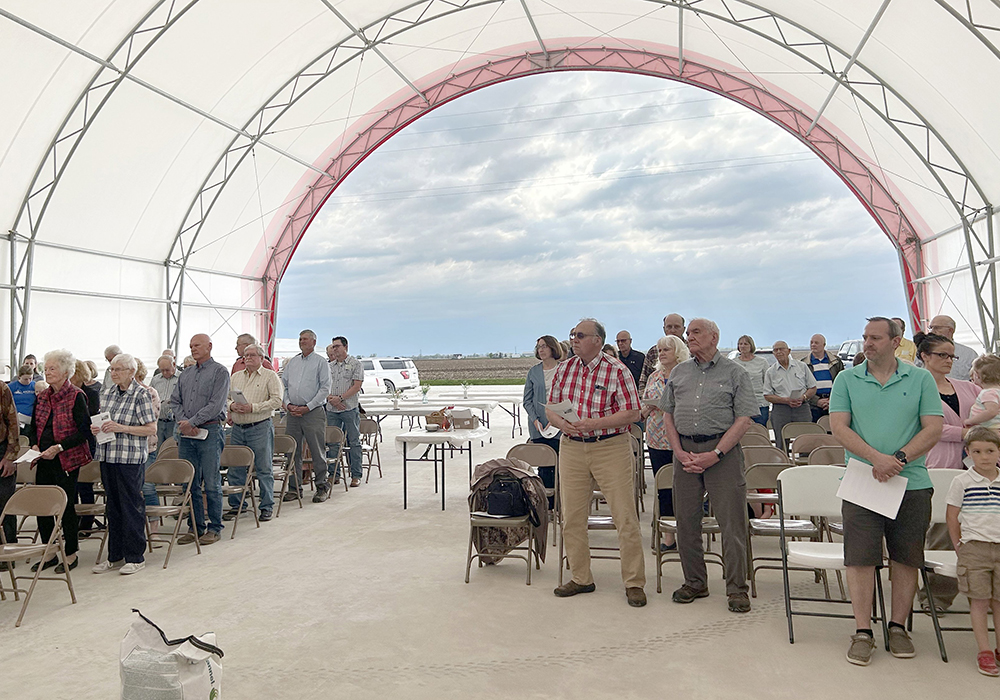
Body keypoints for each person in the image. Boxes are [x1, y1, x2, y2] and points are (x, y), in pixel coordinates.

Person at [829, 317, 943, 665]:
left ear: (896, 342)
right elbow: (839, 427)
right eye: (865, 337)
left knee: (906, 558)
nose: (867, 343)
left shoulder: (920, 378)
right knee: (860, 558)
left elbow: (934, 427)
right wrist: (877, 459)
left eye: (875, 338)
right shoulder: (847, 379)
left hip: (912, 483)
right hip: (863, 481)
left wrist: (899, 458)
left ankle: (897, 627)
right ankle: (863, 631)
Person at [545, 318, 646, 607]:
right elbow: (551, 408)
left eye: (580, 335)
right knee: (572, 517)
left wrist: (594, 424)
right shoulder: (564, 369)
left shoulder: (617, 370)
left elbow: (632, 413)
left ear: (597, 341)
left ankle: (634, 581)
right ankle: (581, 577)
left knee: (624, 516)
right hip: (572, 447)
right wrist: (563, 424)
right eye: (572, 335)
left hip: (610, 447)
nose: (574, 340)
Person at [659, 318, 756, 613]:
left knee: (732, 524)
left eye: (695, 332)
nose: (689, 337)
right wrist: (678, 450)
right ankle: (695, 582)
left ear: (714, 337)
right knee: (686, 522)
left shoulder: (735, 372)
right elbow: (667, 415)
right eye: (688, 333)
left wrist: (716, 453)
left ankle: (737, 588)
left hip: (722, 455)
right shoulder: (679, 373)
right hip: (685, 454)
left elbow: (744, 419)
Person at [918, 333, 979, 611]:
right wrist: (968, 434)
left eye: (951, 356)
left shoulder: (967, 387)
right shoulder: (916, 388)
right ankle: (937, 596)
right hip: (938, 464)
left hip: (974, 467)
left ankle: (980, 590)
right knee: (943, 530)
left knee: (978, 529)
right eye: (942, 355)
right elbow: (930, 428)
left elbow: (987, 413)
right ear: (925, 357)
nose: (948, 360)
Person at [91, 354, 156, 575]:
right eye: (111, 369)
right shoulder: (107, 393)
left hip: (129, 457)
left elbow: (150, 429)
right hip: (108, 455)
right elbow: (104, 420)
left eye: (118, 369)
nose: (114, 373)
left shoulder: (141, 394)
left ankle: (135, 556)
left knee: (131, 506)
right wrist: (97, 428)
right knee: (113, 507)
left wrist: (122, 428)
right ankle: (115, 555)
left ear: (131, 371)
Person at [28, 349, 93, 573]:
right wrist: (35, 445)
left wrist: (59, 447)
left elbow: (84, 431)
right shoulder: (42, 397)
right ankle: (49, 553)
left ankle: (72, 552)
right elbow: (33, 427)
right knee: (43, 506)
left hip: (66, 459)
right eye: (45, 369)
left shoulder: (76, 396)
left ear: (66, 371)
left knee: (65, 507)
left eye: (52, 368)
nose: (47, 372)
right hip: (43, 457)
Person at [945, 426, 1000, 677]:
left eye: (990, 451)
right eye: (977, 451)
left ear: (998, 452)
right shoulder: (962, 481)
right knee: (979, 601)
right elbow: (952, 516)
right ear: (968, 452)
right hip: (974, 548)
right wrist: (959, 546)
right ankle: (984, 650)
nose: (984, 456)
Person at [168, 334, 230, 545]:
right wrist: (185, 421)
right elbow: (174, 401)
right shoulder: (186, 374)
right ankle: (195, 526)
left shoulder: (220, 372)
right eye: (191, 346)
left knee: (211, 482)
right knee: (190, 483)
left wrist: (193, 421)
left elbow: (216, 404)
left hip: (210, 431)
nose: (193, 349)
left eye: (197, 345)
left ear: (209, 347)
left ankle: (214, 527)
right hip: (187, 434)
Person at [641, 335, 690, 551]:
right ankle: (669, 538)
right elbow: (644, 404)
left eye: (666, 350)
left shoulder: (688, 373)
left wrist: (666, 405)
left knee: (685, 488)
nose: (661, 353)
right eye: (660, 350)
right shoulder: (654, 376)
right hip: (656, 438)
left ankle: (689, 534)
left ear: (677, 351)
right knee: (664, 487)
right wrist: (647, 409)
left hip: (682, 437)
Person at [227, 343, 282, 522]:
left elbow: (277, 401)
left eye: (251, 355)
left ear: (261, 358)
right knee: (235, 468)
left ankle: (266, 506)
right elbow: (226, 399)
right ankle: (238, 505)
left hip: (259, 426)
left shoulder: (270, 376)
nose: (247, 358)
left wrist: (253, 407)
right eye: (245, 355)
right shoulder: (235, 377)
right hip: (237, 428)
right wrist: (231, 406)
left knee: (263, 468)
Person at [282, 330, 332, 503]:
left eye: (305, 339)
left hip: (313, 412)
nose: (302, 341)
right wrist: (288, 404)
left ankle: (321, 486)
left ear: (313, 341)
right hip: (293, 413)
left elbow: (325, 388)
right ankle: (294, 488)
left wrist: (307, 407)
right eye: (300, 339)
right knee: (292, 451)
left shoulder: (320, 363)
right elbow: (285, 386)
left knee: (317, 450)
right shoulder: (293, 362)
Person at [524, 335, 564, 494]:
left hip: (560, 425)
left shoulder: (564, 369)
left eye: (544, 346)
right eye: (538, 346)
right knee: (544, 466)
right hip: (539, 426)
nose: (541, 349)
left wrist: (556, 419)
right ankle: (547, 506)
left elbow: (569, 398)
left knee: (561, 464)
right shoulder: (533, 372)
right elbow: (527, 400)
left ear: (553, 348)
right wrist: (535, 420)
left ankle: (561, 504)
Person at [325, 337, 364, 488]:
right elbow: (323, 385)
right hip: (332, 409)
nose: (334, 349)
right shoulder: (329, 366)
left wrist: (340, 398)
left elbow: (356, 386)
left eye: (337, 346)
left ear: (346, 347)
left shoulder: (355, 364)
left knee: (353, 442)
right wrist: (331, 399)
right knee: (332, 442)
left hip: (349, 408)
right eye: (333, 347)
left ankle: (355, 475)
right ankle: (333, 474)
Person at [763, 340, 816, 451]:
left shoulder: (802, 366)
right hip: (781, 410)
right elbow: (767, 395)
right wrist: (785, 400)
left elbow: (812, 387)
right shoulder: (770, 372)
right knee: (781, 443)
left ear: (789, 351)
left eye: (781, 349)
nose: (779, 352)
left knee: (805, 441)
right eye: (775, 350)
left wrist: (803, 397)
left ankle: (806, 465)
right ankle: (783, 465)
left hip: (802, 407)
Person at [70, 360, 101, 536]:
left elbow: (89, 418)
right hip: (70, 443)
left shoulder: (91, 393)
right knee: (72, 485)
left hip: (86, 441)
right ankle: (73, 520)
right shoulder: (67, 394)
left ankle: (87, 521)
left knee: (85, 484)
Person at [0, 380, 20, 569]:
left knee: (4, 504)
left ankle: (8, 555)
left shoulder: (1, 388)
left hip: (2, 452)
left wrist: (11, 456)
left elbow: (13, 423)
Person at [639, 313, 685, 394]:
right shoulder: (653, 351)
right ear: (664, 329)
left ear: (684, 329)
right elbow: (643, 381)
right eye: (669, 327)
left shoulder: (693, 349)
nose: (673, 330)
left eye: (677, 327)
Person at [805, 333, 844, 422]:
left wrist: (832, 400)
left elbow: (842, 384)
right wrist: (817, 401)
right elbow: (802, 387)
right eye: (811, 342)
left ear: (824, 345)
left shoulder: (835, 362)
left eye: (816, 343)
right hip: (813, 406)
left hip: (833, 404)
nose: (813, 345)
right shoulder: (804, 364)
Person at [733, 335, 770, 426]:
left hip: (760, 403)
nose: (743, 346)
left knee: (760, 431)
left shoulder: (762, 362)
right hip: (741, 404)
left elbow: (768, 382)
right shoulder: (733, 363)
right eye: (740, 344)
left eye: (746, 344)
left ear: (751, 346)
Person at [928, 315, 979, 380]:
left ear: (950, 330)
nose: (932, 331)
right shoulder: (923, 352)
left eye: (937, 328)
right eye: (930, 328)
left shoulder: (969, 354)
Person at [150, 355, 179, 453]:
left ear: (174, 365)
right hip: (158, 421)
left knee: (172, 450)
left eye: (167, 370)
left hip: (174, 421)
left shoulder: (182, 378)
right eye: (162, 370)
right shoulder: (155, 380)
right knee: (157, 451)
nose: (165, 373)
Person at [965, 355, 1000, 432]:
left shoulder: (988, 393)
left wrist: (970, 421)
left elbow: (991, 411)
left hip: (990, 429)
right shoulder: (997, 391)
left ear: (977, 376)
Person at [8, 365, 36, 436]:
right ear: (19, 377)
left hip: (31, 419)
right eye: (25, 379)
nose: (28, 381)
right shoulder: (11, 387)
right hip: (16, 419)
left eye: (30, 378)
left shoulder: (35, 386)